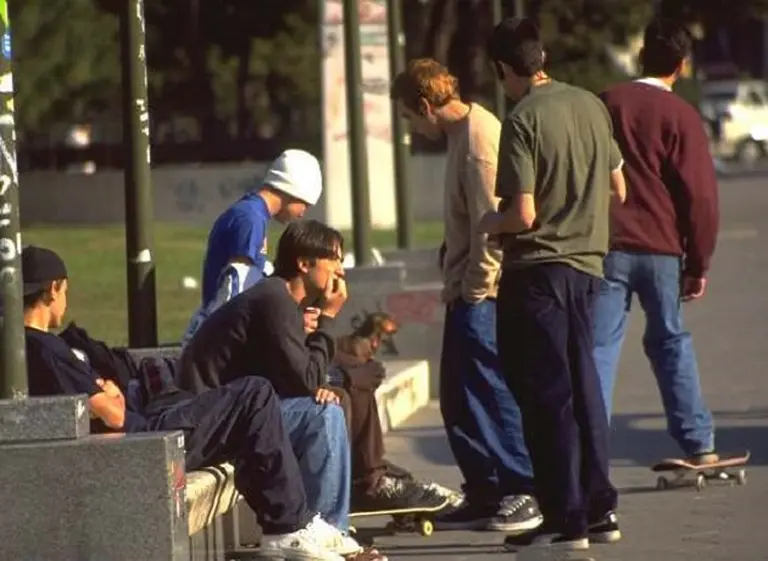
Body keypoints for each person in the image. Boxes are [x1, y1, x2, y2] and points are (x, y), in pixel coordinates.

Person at [19, 245, 356, 561]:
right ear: (54, 288)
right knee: (255, 395)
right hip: (146, 440)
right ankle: (287, 526)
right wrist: (108, 394)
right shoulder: (44, 348)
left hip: (145, 431)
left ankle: (294, 522)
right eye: (65, 291)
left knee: (255, 403)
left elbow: (104, 398)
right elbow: (113, 412)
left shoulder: (38, 347)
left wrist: (107, 391)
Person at [176, 220, 446, 522]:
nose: (341, 272)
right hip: (214, 427)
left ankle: (353, 495)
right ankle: (331, 526)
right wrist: (329, 317)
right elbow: (308, 379)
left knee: (337, 395)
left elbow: (299, 377)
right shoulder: (274, 300)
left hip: (232, 415)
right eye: (335, 260)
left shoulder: (280, 300)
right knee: (324, 413)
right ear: (304, 263)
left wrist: (317, 371)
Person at [481, 18, 626, 558]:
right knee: (585, 388)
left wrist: (487, 226)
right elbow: (620, 185)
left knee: (546, 398)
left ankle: (565, 520)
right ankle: (599, 505)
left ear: (503, 68)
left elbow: (522, 213)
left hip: (537, 274)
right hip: (589, 270)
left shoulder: (521, 119)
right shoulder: (591, 105)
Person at [389, 58, 540, 533]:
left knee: (490, 393)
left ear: (424, 105)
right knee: (458, 399)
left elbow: (490, 227)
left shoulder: (478, 141)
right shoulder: (460, 136)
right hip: (463, 288)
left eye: (410, 118)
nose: (411, 129)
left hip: (482, 293)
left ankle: (524, 489)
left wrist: (476, 291)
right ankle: (486, 489)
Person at [595, 19, 719, 463]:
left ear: (642, 56)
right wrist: (698, 263)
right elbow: (700, 195)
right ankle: (697, 441)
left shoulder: (607, 103)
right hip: (663, 249)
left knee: (599, 345)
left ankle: (589, 446)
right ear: (681, 67)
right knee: (670, 339)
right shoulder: (682, 115)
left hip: (607, 244)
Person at [184, 148, 323, 346]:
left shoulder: (252, 215)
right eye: (305, 204)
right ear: (294, 191)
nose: (302, 213)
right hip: (220, 343)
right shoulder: (250, 219)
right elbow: (235, 291)